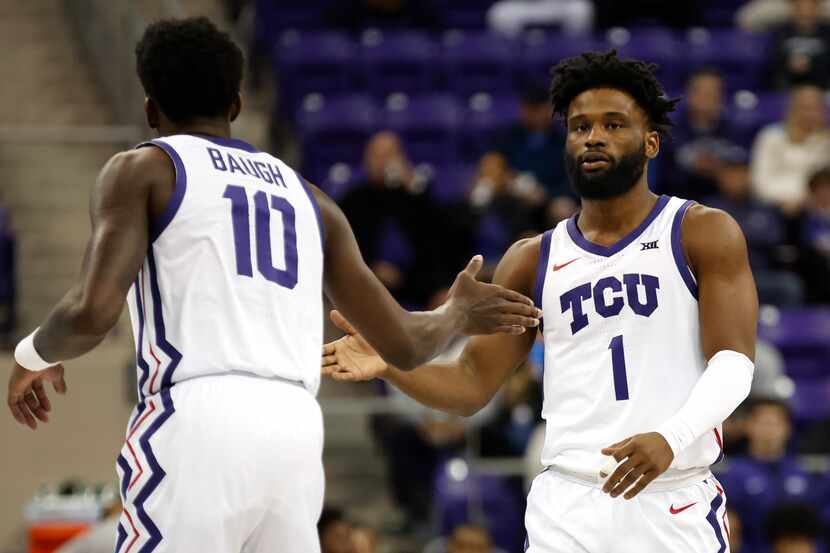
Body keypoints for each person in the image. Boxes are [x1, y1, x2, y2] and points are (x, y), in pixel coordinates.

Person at [5, 17, 541, 553]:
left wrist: (33, 353)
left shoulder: (145, 169)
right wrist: (454, 315)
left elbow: (91, 313)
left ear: (150, 109)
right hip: (295, 429)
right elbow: (402, 343)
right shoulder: (311, 199)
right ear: (237, 104)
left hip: (197, 416)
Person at [323, 50, 759, 552]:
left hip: (672, 494)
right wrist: (390, 360)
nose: (593, 136)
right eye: (579, 127)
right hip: (568, 503)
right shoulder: (532, 259)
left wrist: (670, 438)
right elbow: (469, 384)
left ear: (651, 142)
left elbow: (733, 364)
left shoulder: (701, 231)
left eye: (614, 124)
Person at [704, 147, 804, 306]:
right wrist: (750, 233)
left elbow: (774, 237)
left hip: (760, 272)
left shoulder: (762, 206)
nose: (736, 178)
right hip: (724, 276)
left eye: (741, 172)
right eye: (731, 173)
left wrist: (735, 233)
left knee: (789, 285)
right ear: (721, 177)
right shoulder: (707, 208)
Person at [718, 399, 820, 551]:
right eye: (763, 423)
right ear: (748, 426)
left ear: (788, 428)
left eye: (775, 423)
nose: (769, 430)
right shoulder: (733, 474)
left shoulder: (802, 471)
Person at [661, 67, 743, 201]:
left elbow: (739, 174)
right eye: (703, 92)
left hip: (723, 204)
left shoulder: (734, 131)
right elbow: (669, 176)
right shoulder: (670, 131)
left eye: (715, 92)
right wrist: (718, 169)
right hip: (679, 202)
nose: (709, 98)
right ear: (689, 94)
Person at [750, 84, 830, 215]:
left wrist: (806, 201)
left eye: (816, 108)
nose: (810, 114)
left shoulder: (826, 143)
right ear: (792, 109)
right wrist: (793, 198)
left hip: (816, 209)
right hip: (775, 207)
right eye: (805, 108)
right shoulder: (771, 137)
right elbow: (760, 183)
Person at [766, 0, 830, 89]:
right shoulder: (781, 32)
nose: (805, 14)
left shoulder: (827, 32)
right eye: (801, 11)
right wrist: (788, 63)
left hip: (821, 84)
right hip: (787, 83)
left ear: (818, 11)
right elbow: (771, 58)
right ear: (794, 11)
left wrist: (811, 63)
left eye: (809, 11)